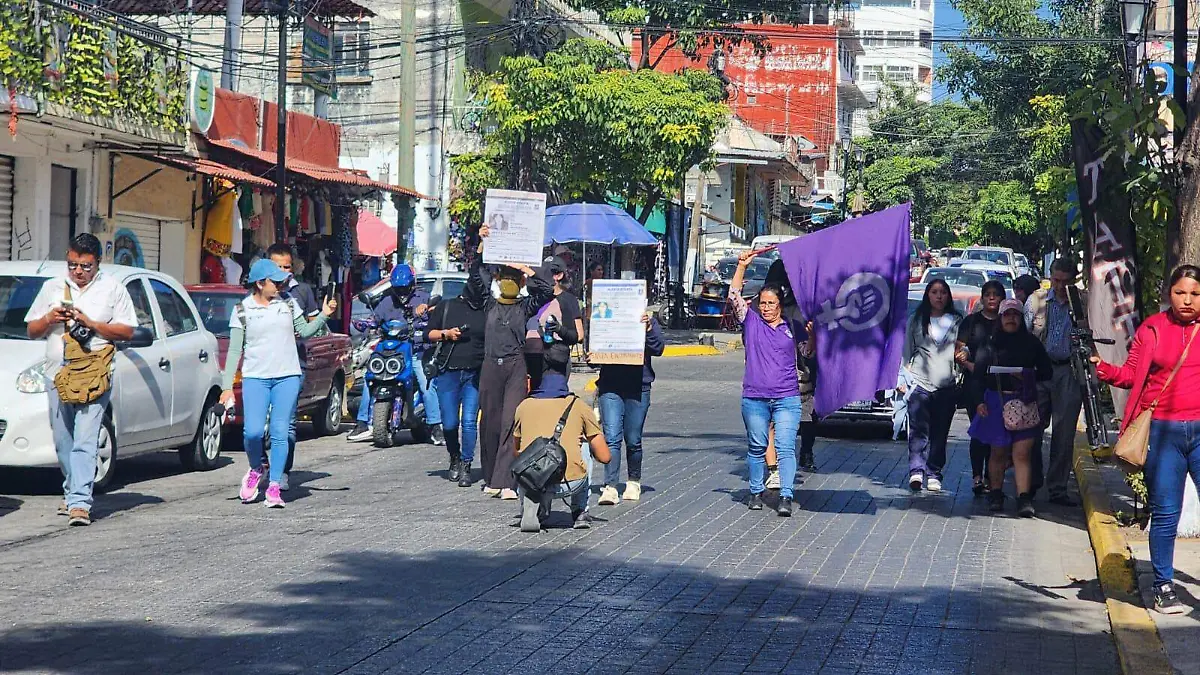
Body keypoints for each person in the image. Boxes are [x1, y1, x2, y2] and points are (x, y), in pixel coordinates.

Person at [1094, 265, 1200, 614]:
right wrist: (1104, 369)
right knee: (1166, 514)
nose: (1187, 300)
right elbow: (1130, 374)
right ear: (1169, 293)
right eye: (1180, 293)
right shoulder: (1152, 328)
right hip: (1163, 433)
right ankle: (1163, 585)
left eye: (1195, 294)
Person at [25, 233, 138, 527]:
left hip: (94, 373)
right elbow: (31, 330)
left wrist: (92, 324)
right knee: (64, 441)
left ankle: (79, 503)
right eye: (73, 264)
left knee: (85, 441)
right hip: (56, 372)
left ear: (98, 263)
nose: (78, 272)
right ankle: (72, 487)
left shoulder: (113, 289)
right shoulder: (52, 287)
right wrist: (51, 317)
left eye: (86, 266)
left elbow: (127, 332)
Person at [220, 259, 336, 508]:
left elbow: (305, 332)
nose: (280, 284)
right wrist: (226, 386)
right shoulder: (242, 310)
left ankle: (274, 487)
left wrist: (324, 316)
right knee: (251, 432)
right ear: (260, 283)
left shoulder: (289, 304)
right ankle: (256, 469)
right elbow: (233, 351)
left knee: (280, 432)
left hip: (287, 376)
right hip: (255, 378)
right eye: (274, 281)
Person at [467, 224, 555, 499]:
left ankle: (506, 482)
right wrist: (483, 243)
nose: (509, 280)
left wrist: (524, 267)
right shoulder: (489, 304)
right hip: (491, 366)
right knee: (489, 423)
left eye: (513, 277)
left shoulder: (524, 306)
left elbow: (546, 288)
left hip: (516, 366)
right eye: (505, 275)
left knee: (509, 422)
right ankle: (491, 475)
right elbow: (476, 275)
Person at [729, 250, 810, 516]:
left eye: (770, 304)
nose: (765, 308)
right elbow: (733, 296)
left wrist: (816, 336)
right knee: (757, 446)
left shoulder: (792, 325)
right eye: (762, 303)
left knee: (786, 446)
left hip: (787, 397)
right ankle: (755, 492)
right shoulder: (750, 322)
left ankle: (786, 496)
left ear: (780, 305)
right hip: (755, 398)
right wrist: (742, 266)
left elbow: (807, 353)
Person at [964, 298, 1052, 516]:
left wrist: (1025, 375)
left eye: (1015, 315)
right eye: (1007, 315)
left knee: (1022, 453)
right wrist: (979, 402)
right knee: (998, 451)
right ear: (1001, 318)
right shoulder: (990, 344)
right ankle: (996, 493)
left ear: (1021, 318)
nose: (1011, 319)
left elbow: (1046, 371)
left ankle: (1023, 498)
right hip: (996, 402)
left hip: (1024, 402)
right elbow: (978, 376)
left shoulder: (1032, 344)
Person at [513, 343, 611, 531]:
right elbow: (605, 457)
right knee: (582, 445)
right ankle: (580, 510)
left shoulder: (523, 406)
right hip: (570, 484)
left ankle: (535, 507)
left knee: (531, 453)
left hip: (533, 482)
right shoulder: (579, 406)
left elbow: (516, 452)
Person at [347, 264, 443, 444]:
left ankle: (435, 425)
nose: (401, 291)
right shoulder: (386, 301)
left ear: (412, 285)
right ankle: (362, 422)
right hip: (390, 350)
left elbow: (433, 319)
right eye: (397, 288)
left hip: (415, 350)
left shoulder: (423, 298)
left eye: (404, 287)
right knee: (371, 378)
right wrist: (367, 324)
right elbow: (375, 319)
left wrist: (426, 314)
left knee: (425, 382)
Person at [1026, 258, 1085, 506]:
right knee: (1031, 429)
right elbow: (1025, 335)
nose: (1060, 286)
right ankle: (1030, 481)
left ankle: (1057, 488)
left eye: (1065, 281)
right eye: (1056, 280)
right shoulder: (1036, 300)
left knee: (1063, 433)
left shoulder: (1082, 302)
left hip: (1069, 372)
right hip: (1041, 370)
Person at [594, 312, 665, 506]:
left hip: (638, 387)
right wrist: (592, 352)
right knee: (612, 437)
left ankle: (634, 480)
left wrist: (648, 328)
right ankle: (610, 486)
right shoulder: (606, 319)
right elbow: (593, 355)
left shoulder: (648, 320)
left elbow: (658, 348)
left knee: (633, 439)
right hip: (610, 385)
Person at [266, 243, 319, 491]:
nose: (284, 271)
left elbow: (310, 327)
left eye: (287, 266)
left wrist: (323, 316)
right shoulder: (256, 295)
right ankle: (260, 465)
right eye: (278, 267)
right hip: (263, 368)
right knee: (258, 427)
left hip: (293, 365)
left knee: (286, 424)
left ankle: (282, 472)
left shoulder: (301, 293)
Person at [903, 279, 963, 492]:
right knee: (918, 430)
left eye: (943, 292)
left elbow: (963, 351)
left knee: (940, 432)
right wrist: (903, 379)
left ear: (948, 296)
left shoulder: (957, 321)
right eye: (934, 292)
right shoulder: (917, 320)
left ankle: (934, 472)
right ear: (927, 295)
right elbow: (906, 352)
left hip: (946, 386)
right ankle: (916, 471)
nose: (939, 296)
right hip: (919, 383)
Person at [425, 288, 487, 487]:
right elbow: (429, 333)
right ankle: (455, 457)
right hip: (448, 372)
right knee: (450, 423)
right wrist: (447, 334)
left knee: (469, 421)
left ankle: (466, 466)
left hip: (474, 374)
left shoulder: (486, 309)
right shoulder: (447, 306)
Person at [956, 280, 1005, 495]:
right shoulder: (971, 322)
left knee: (995, 432)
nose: (992, 298)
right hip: (974, 383)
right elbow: (959, 352)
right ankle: (977, 476)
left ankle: (990, 476)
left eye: (996, 294)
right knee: (979, 429)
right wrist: (971, 365)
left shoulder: (1007, 321)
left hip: (1000, 384)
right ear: (982, 298)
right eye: (988, 294)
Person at [525, 255, 583, 392]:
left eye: (545, 272)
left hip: (555, 362)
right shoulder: (532, 299)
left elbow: (579, 335)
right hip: (529, 361)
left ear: (558, 275)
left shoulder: (569, 300)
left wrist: (559, 329)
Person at [1012, 272, 1045, 493]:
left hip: (1045, 373)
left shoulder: (1033, 304)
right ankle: (1030, 480)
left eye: (1019, 293)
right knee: (1031, 431)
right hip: (1029, 376)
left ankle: (1038, 481)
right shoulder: (1027, 309)